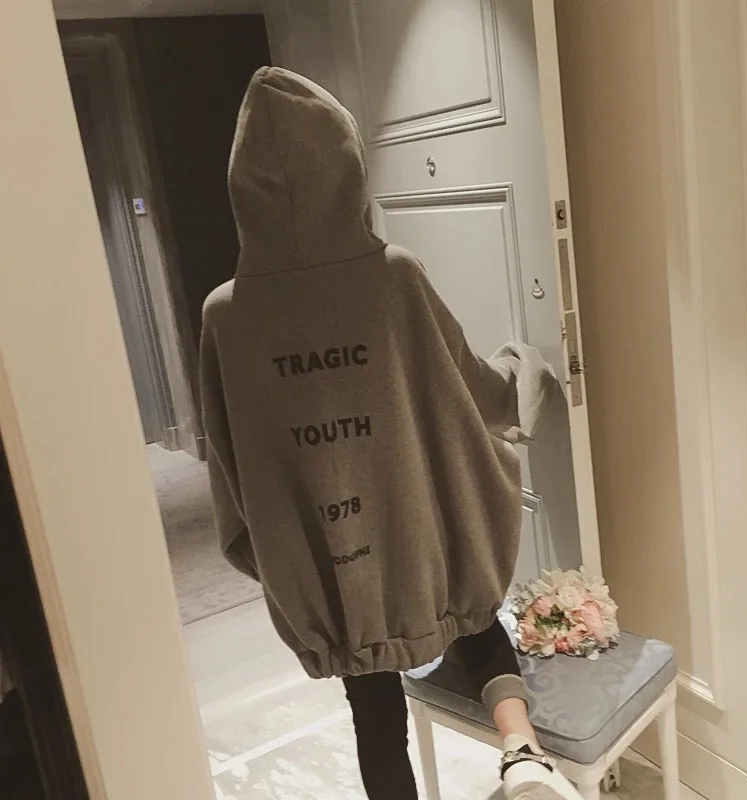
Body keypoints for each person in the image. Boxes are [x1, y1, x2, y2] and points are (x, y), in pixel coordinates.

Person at [200, 67, 583, 800]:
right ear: (346, 164)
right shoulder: (394, 276)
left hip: (329, 560)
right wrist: (522, 370)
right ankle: (523, 756)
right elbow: (468, 388)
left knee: (372, 710)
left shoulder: (226, 314)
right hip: (418, 531)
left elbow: (229, 461)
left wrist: (279, 559)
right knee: (476, 624)